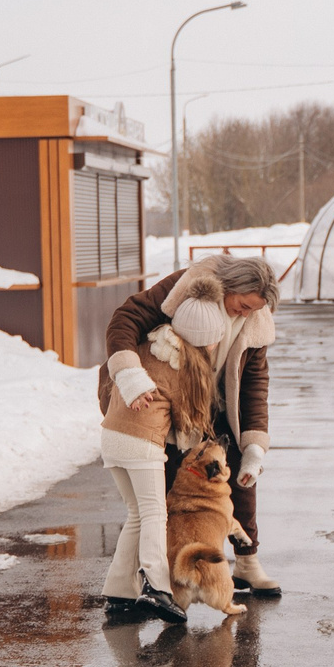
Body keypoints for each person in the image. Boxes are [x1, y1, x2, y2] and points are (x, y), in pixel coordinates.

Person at [97, 254, 279, 621]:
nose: (244, 315)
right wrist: (129, 374)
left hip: (211, 403)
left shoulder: (255, 319)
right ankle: (158, 585)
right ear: (229, 288)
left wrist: (255, 447)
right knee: (159, 504)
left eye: (253, 311)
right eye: (242, 306)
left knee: (238, 475)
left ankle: (246, 560)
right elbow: (125, 319)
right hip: (153, 397)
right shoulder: (186, 289)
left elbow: (255, 384)